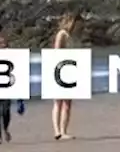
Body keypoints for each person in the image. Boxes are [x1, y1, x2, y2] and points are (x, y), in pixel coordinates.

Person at [50, 12, 81, 141]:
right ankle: (57, 131)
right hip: (61, 68)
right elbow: (57, 52)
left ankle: (63, 131)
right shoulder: (61, 34)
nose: (75, 25)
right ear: (68, 21)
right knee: (58, 102)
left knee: (67, 103)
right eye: (73, 22)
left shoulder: (70, 35)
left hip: (69, 68)